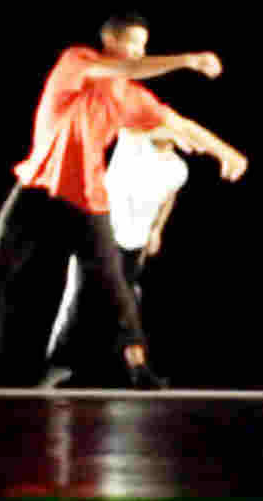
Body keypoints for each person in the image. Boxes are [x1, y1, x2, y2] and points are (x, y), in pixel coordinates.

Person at [0, 13, 247, 389]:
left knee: (114, 285)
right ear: (110, 40)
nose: (140, 52)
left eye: (144, 46)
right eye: (134, 43)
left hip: (88, 198)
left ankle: (138, 367)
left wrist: (226, 152)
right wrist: (187, 60)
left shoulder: (131, 97)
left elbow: (178, 124)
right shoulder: (77, 61)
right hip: (37, 187)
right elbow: (126, 68)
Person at [42, 126, 189, 387]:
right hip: (102, 232)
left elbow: (169, 198)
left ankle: (115, 368)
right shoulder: (133, 140)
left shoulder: (178, 169)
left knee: (118, 299)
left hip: (135, 240)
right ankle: (131, 365)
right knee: (102, 296)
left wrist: (157, 229)